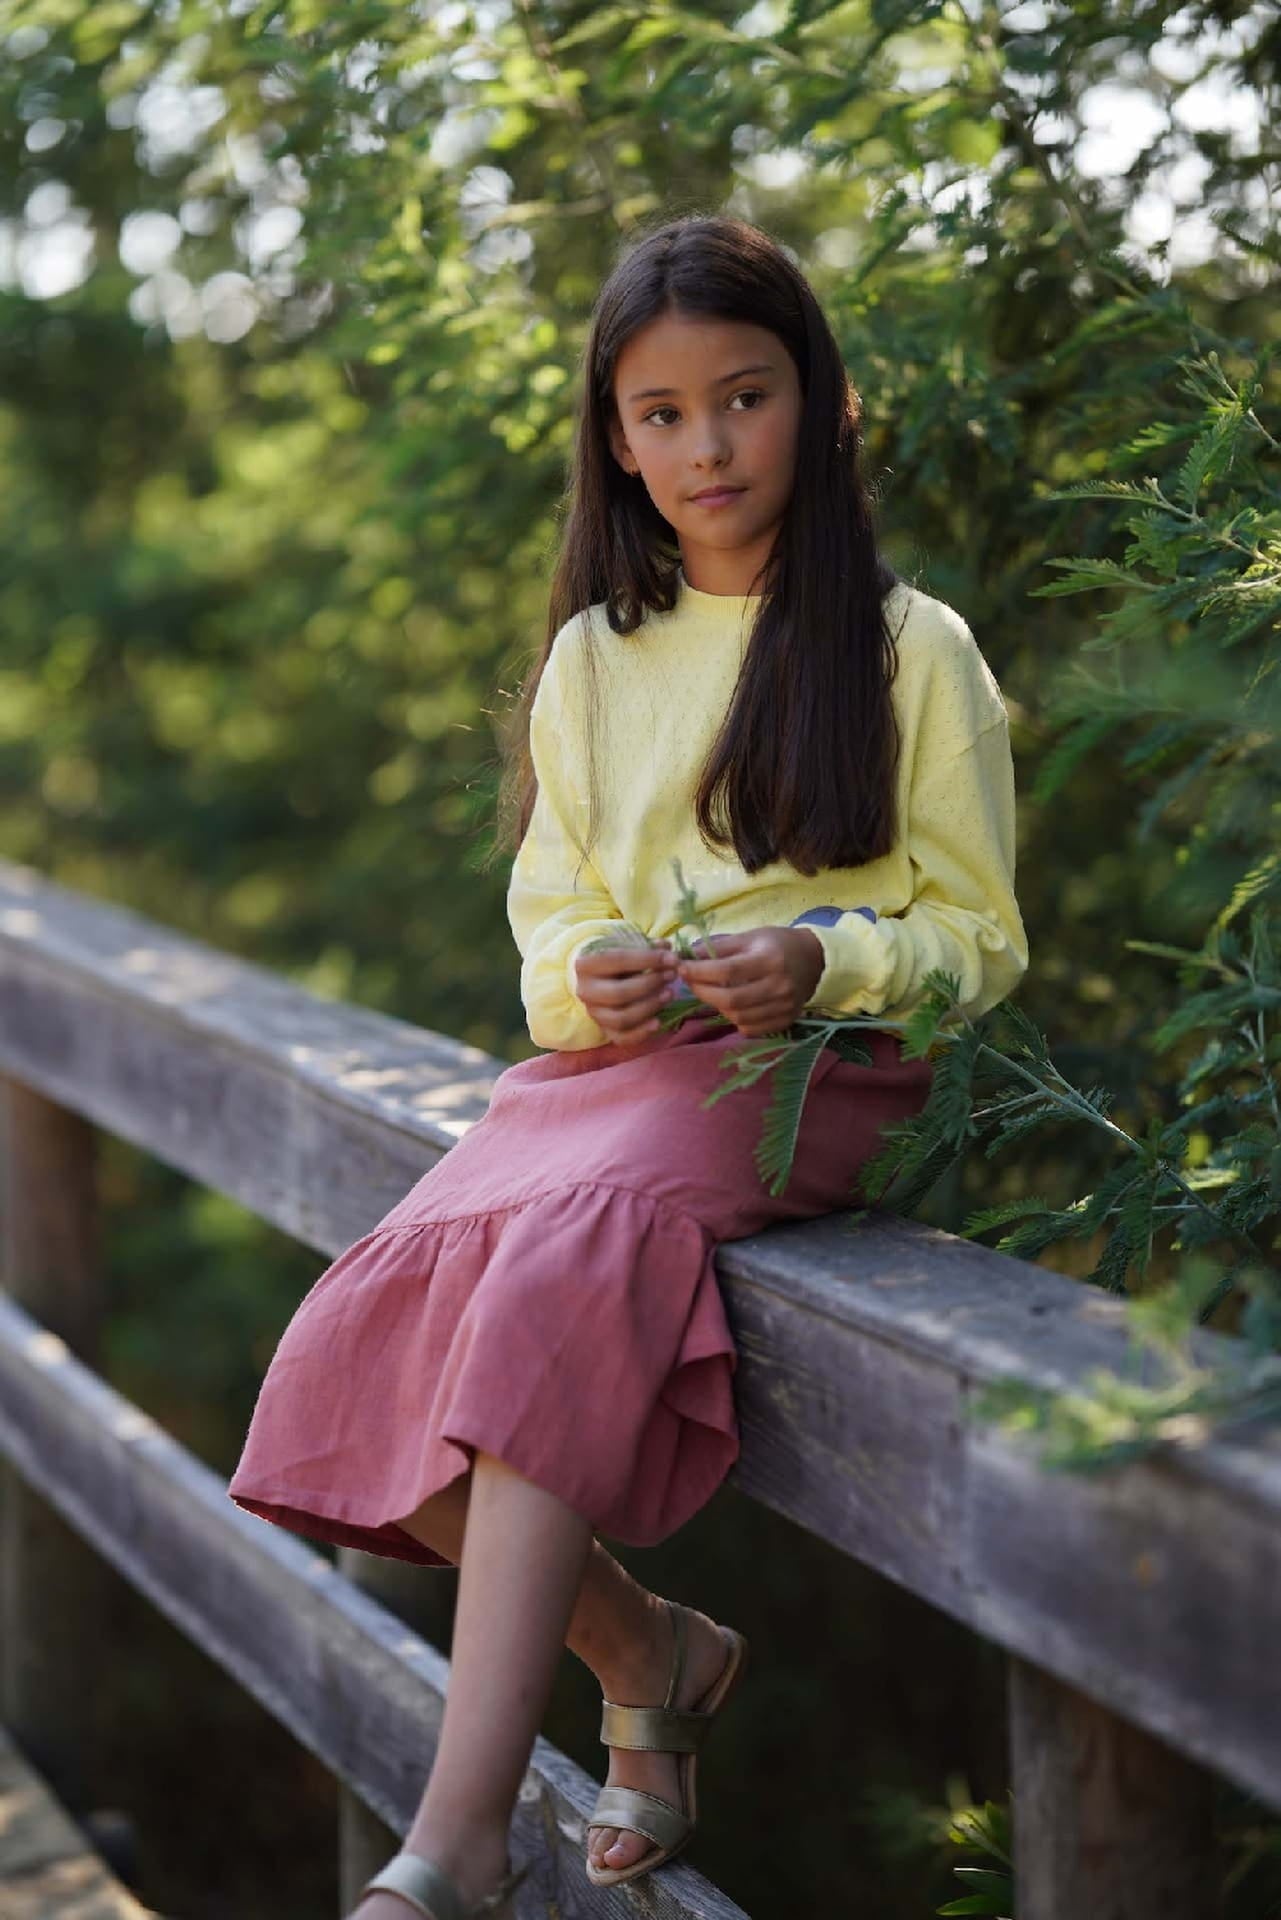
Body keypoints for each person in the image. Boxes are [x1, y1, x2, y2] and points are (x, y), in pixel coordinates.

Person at [226, 211, 1029, 1920]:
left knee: (551, 1283)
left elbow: (975, 938)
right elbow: (550, 936)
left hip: (821, 1075)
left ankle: (448, 1850)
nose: (703, 447)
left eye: (739, 400)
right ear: (613, 436)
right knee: (355, 1347)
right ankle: (646, 1648)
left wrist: (821, 957)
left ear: (812, 401)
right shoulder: (596, 659)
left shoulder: (909, 648)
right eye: (657, 415)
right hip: (614, 1085)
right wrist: (592, 978)